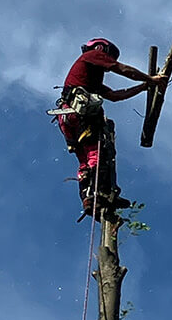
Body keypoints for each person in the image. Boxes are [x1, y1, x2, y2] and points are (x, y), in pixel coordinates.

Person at [55, 38, 166, 218]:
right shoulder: (92, 55)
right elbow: (123, 69)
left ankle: (91, 198)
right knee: (97, 153)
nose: (107, 64)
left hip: (66, 118)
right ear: (102, 49)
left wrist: (145, 86)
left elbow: (116, 96)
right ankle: (98, 194)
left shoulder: (88, 80)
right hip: (78, 113)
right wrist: (151, 79)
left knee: (85, 160)